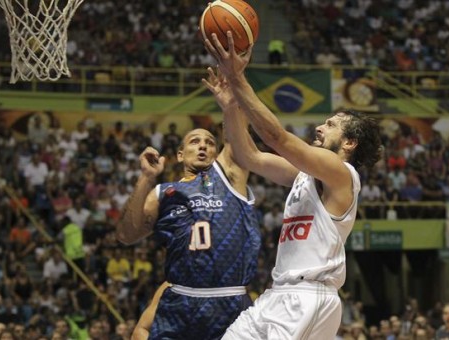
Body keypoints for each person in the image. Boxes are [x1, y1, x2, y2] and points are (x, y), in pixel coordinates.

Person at [203, 31, 382, 339]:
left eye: (330, 125)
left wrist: (237, 78)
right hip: (278, 294)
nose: (319, 127)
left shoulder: (342, 173)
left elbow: (277, 138)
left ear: (349, 142)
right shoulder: (305, 175)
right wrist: (231, 107)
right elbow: (249, 156)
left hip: (309, 296)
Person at [116, 102, 262, 338]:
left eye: (210, 142)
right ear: (180, 155)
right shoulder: (164, 192)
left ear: (217, 154)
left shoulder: (231, 179)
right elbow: (125, 235)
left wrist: (229, 102)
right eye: (195, 141)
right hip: (182, 295)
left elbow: (236, 137)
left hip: (230, 297)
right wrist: (146, 178)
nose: (203, 145)